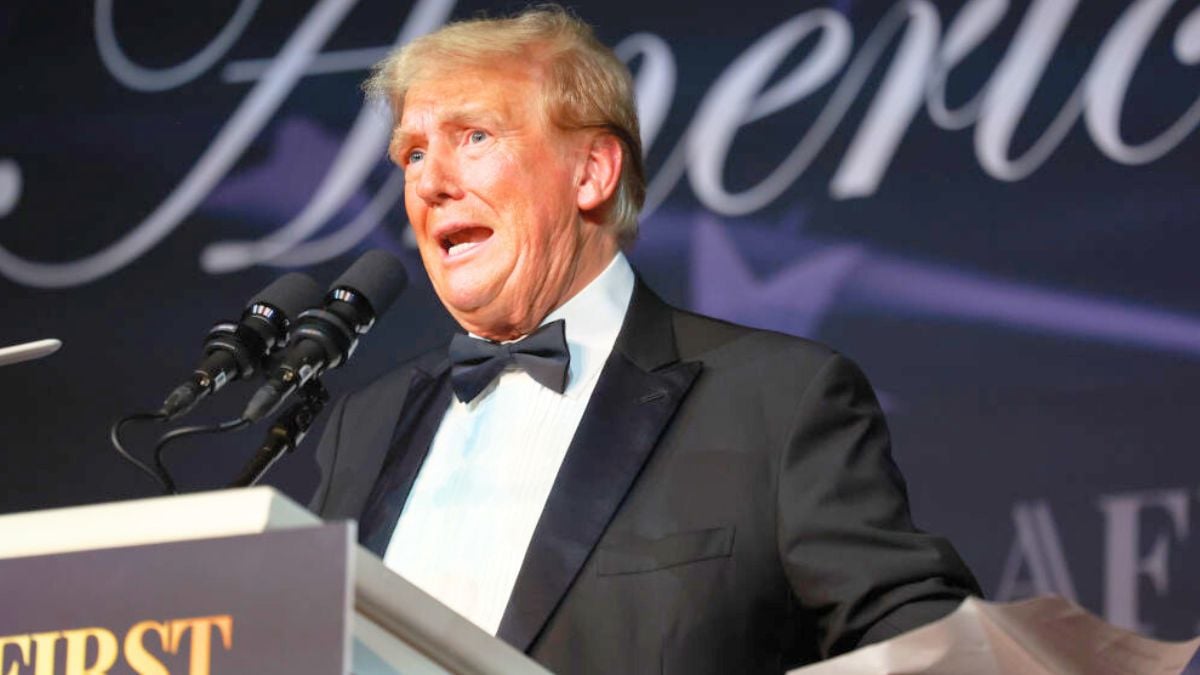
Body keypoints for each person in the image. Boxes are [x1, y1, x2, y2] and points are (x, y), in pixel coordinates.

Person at [309, 6, 980, 672]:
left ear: (592, 171)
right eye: (414, 153)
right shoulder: (363, 427)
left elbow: (933, 646)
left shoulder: (776, 401)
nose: (429, 182)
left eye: (476, 137)